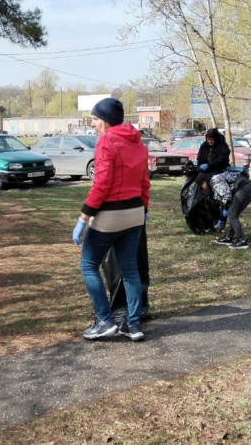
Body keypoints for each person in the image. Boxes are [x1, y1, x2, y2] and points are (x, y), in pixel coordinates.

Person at [72, 97, 150, 342]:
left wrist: (84, 217)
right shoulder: (138, 142)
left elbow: (102, 183)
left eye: (95, 119)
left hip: (111, 215)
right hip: (135, 213)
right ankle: (133, 325)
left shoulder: (106, 141)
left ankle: (105, 321)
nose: (92, 124)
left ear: (105, 120)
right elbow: (144, 182)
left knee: (88, 265)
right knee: (130, 270)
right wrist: (144, 209)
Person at [203, 170, 251, 250]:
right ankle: (229, 237)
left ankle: (242, 240)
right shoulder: (217, 177)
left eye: (201, 185)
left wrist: (222, 216)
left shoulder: (214, 180)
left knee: (232, 215)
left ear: (204, 182)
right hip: (249, 188)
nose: (202, 188)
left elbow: (227, 196)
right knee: (234, 214)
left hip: (244, 189)